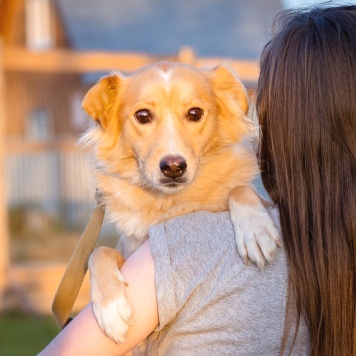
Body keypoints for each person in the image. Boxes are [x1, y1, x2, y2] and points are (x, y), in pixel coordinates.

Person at [39, 5, 356, 356]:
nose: (172, 155)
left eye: (194, 115)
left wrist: (242, 198)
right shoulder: (324, 243)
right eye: (144, 117)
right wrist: (100, 261)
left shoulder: (180, 253)